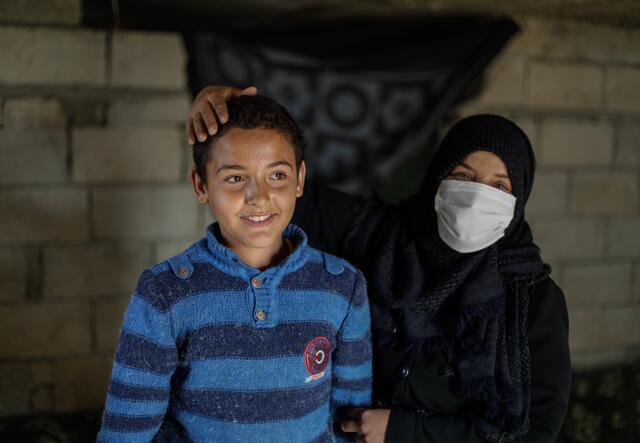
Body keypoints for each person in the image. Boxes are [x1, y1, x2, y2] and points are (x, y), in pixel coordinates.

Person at [186, 86, 571, 443]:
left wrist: (405, 432)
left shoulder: (532, 298)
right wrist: (228, 111)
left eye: (499, 186)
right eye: (462, 175)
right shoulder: (378, 237)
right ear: (437, 177)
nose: (475, 198)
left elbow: (535, 431)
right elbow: (279, 192)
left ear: (518, 200)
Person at [98, 95, 372, 442]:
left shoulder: (342, 286)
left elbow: (350, 423)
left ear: (300, 179)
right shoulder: (165, 291)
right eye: (234, 178)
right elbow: (127, 431)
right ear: (201, 185)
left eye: (277, 174)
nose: (258, 196)